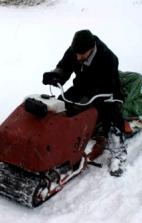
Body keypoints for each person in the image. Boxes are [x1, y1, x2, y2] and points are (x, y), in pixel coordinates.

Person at [42, 29, 127, 177]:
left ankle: (118, 154)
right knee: (60, 107)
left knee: (111, 116)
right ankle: (55, 142)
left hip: (106, 92)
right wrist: (56, 75)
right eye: (76, 54)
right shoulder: (75, 51)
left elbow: (108, 85)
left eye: (82, 54)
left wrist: (87, 100)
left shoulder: (108, 58)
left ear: (91, 48)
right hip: (81, 87)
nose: (78, 56)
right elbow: (64, 67)